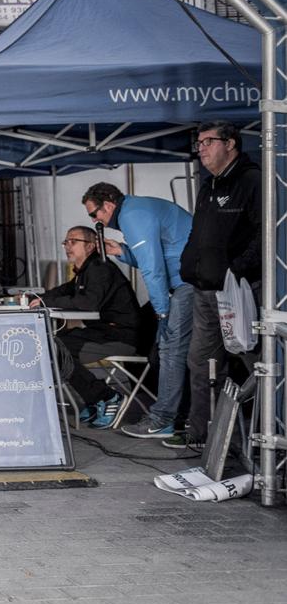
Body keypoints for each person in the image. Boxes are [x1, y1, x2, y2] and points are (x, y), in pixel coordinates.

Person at [82, 182, 194, 440]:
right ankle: (178, 416)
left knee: (170, 349)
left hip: (189, 283)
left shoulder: (132, 215)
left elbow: (152, 269)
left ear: (108, 205)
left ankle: (162, 419)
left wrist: (162, 313)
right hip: (186, 280)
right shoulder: (137, 208)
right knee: (172, 351)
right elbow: (156, 254)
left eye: (94, 213)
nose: (94, 220)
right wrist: (122, 251)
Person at [177, 121, 261, 452]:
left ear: (231, 144)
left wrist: (235, 270)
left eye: (208, 142)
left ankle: (264, 433)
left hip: (239, 290)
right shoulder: (208, 185)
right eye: (198, 143)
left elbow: (264, 234)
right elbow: (200, 233)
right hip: (204, 289)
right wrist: (190, 262)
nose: (201, 149)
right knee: (200, 361)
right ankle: (204, 433)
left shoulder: (251, 180)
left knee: (255, 362)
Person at [30, 226, 139, 427]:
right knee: (55, 346)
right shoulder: (85, 270)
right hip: (103, 332)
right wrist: (37, 298)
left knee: (57, 349)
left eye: (73, 241)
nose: (67, 246)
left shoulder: (100, 268)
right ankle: (94, 398)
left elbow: (88, 303)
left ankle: (106, 396)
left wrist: (45, 302)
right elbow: (65, 291)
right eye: (66, 242)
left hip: (120, 337)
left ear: (90, 246)